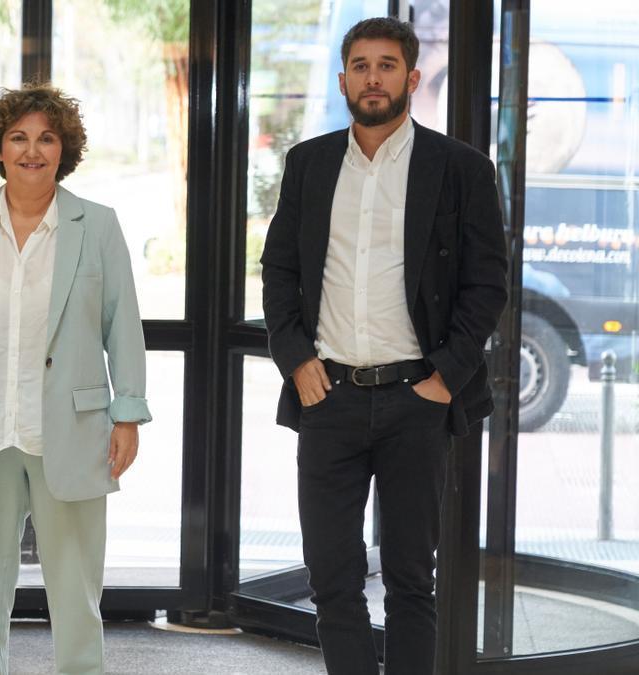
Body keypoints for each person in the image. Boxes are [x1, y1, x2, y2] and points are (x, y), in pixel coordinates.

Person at [260, 17, 507, 675]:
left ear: (412, 78)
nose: (373, 77)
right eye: (361, 65)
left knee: (409, 581)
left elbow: (487, 286)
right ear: (343, 79)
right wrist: (295, 359)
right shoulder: (309, 164)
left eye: (387, 65)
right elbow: (279, 271)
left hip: (415, 404)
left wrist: (444, 378)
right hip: (328, 398)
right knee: (332, 579)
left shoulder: (461, 170)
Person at [0, 83, 151, 675]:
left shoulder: (96, 225)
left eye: (47, 138)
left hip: (71, 433)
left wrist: (128, 413)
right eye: (18, 137)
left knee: (76, 598)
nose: (32, 150)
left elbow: (123, 323)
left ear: (64, 149)